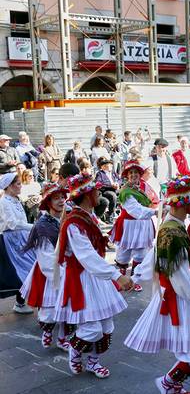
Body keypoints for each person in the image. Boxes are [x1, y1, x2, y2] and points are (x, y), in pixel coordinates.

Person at [125, 174, 190, 394]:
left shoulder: (170, 225)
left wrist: (135, 278)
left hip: (174, 295)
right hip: (177, 297)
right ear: (185, 203)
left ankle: (172, 386)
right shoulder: (174, 232)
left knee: (189, 350)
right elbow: (182, 280)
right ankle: (168, 384)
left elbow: (154, 256)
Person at [54, 173, 133, 378]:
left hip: (96, 276)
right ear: (88, 195)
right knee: (92, 328)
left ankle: (93, 362)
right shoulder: (74, 222)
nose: (100, 192)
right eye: (96, 190)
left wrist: (102, 239)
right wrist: (117, 275)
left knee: (107, 325)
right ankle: (75, 348)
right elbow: (86, 256)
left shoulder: (88, 216)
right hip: (83, 278)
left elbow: (90, 248)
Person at [19, 183, 73, 350]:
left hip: (67, 267)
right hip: (50, 272)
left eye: (63, 197)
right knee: (49, 311)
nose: (61, 200)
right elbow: (46, 258)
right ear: (48, 202)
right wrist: (61, 275)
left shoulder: (68, 217)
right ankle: (48, 331)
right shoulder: (43, 225)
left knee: (67, 306)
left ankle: (63, 338)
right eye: (56, 198)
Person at [109, 161, 156, 292]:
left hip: (143, 224)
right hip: (129, 224)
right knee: (124, 252)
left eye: (136, 172)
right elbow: (136, 210)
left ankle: (134, 280)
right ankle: (122, 279)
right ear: (127, 176)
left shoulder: (144, 187)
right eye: (131, 173)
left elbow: (154, 201)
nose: (134, 175)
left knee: (140, 253)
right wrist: (155, 212)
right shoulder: (126, 191)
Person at [0, 172, 35, 314]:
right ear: (9, 186)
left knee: (29, 268)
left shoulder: (15, 200)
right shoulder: (4, 202)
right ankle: (20, 303)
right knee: (20, 271)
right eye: (18, 184)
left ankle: (20, 302)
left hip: (21, 237)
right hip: (11, 240)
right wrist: (32, 227)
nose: (21, 186)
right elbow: (12, 223)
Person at [95, 158, 121, 223]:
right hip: (106, 190)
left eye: (111, 165)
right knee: (113, 196)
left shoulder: (113, 173)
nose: (110, 167)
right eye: (108, 165)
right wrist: (111, 185)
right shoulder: (100, 174)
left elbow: (120, 179)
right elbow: (100, 183)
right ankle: (110, 214)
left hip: (115, 188)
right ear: (103, 167)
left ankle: (120, 211)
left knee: (124, 193)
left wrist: (117, 183)